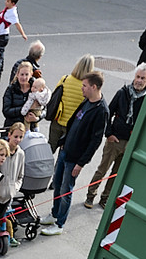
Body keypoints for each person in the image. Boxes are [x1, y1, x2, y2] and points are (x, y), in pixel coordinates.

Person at [43, 71, 105, 235]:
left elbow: (95, 141)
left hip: (75, 159)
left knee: (66, 190)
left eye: (84, 86)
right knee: (57, 184)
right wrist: (63, 141)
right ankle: (54, 214)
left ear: (93, 87)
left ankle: (60, 224)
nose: (81, 88)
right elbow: (72, 123)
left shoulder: (101, 111)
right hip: (65, 151)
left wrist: (81, 163)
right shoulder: (86, 101)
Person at [89, 63, 146, 209]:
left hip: (130, 143)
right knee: (102, 170)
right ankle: (90, 195)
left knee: (116, 174)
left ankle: (105, 198)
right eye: (137, 77)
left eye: (143, 78)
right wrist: (109, 134)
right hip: (114, 140)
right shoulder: (122, 93)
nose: (139, 80)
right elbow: (108, 113)